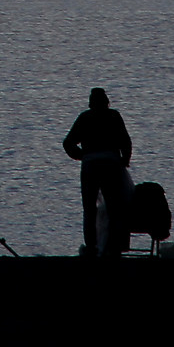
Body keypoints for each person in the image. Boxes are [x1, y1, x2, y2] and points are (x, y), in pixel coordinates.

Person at [62, 87, 134, 258]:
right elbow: (126, 140)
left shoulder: (85, 118)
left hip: (90, 166)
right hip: (111, 165)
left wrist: (81, 156)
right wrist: (125, 159)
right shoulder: (113, 116)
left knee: (89, 208)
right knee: (113, 207)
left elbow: (68, 143)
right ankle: (114, 247)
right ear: (106, 101)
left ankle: (92, 247)